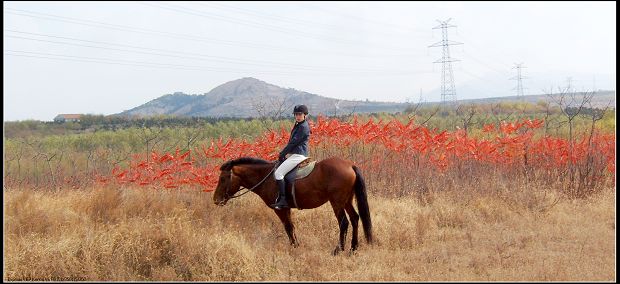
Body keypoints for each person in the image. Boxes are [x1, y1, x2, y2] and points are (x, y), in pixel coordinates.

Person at [272, 104, 311, 210]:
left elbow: (293, 143)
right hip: (295, 154)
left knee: (278, 173)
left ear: (305, 115)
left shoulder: (303, 127)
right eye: (296, 114)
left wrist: (282, 153)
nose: (297, 116)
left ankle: (283, 200)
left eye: (300, 114)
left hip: (298, 155)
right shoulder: (299, 124)